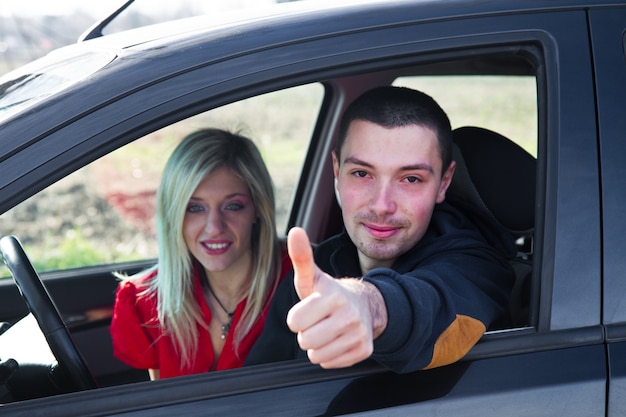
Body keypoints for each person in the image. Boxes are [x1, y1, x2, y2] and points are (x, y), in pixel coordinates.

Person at [245, 86, 516, 373]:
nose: (382, 205)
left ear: (444, 182)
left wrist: (368, 306)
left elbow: (432, 303)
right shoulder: (316, 270)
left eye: (411, 179)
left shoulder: (476, 267)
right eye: (362, 174)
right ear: (337, 171)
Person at [110, 128, 291, 379]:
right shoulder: (145, 301)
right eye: (195, 208)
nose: (214, 227)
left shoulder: (302, 281)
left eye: (233, 206)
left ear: (258, 209)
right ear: (174, 214)